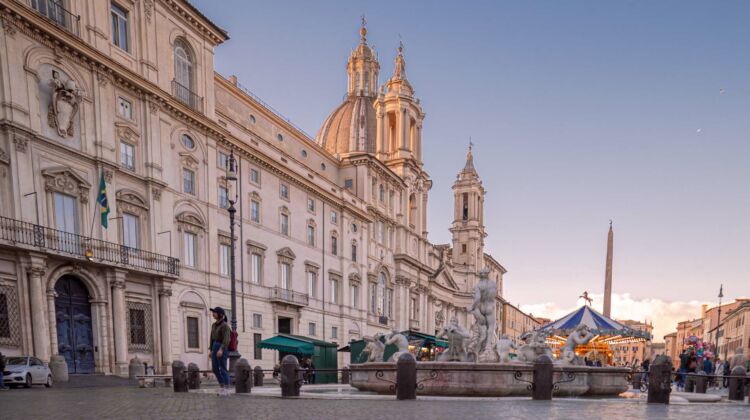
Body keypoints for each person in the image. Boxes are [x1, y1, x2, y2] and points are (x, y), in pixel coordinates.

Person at [209, 307, 231, 396]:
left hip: (222, 346)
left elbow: (226, 339)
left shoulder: (225, 326)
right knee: (214, 368)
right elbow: (211, 338)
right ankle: (222, 385)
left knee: (223, 368)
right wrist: (210, 350)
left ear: (220, 314)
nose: (213, 314)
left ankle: (227, 388)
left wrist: (221, 349)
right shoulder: (214, 325)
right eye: (213, 312)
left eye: (214, 312)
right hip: (214, 346)